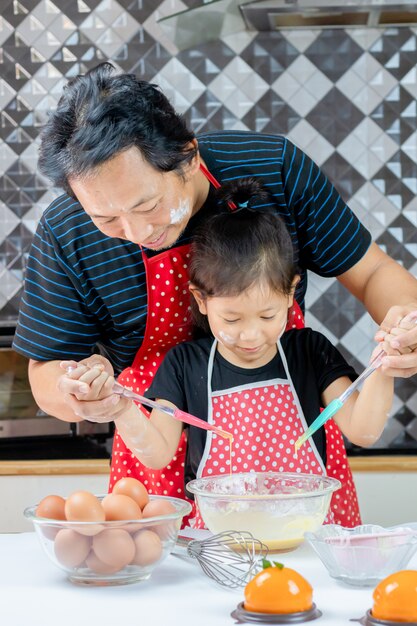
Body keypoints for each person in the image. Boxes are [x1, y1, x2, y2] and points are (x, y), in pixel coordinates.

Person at [13, 62, 417, 501]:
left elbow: (373, 272)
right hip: (155, 450)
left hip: (290, 453)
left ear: (188, 157)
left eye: (147, 205)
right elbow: (45, 371)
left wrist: (406, 330)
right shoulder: (66, 231)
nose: (136, 233)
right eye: (106, 218)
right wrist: (81, 393)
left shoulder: (275, 168)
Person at [61, 178, 402, 527]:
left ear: (290, 294)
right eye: (232, 318)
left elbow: (364, 430)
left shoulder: (308, 351)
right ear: (201, 300)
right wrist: (121, 409)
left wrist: (385, 366)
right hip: (219, 540)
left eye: (268, 315)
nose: (251, 334)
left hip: (305, 533)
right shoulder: (184, 365)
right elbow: (157, 453)